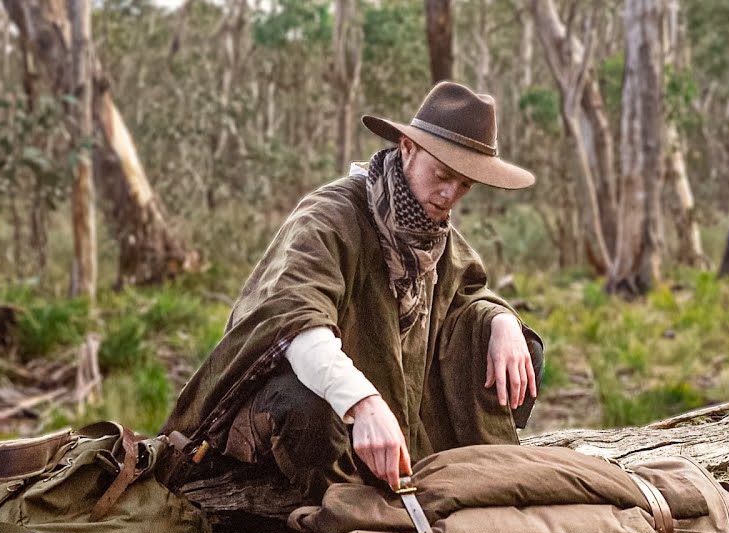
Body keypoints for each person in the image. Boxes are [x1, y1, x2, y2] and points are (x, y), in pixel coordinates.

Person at [160, 81, 543, 500]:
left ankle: (452, 472)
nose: (450, 195)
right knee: (308, 406)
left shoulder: (432, 230)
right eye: (443, 176)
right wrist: (363, 404)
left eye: (465, 184)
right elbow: (297, 326)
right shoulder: (328, 218)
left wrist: (502, 321)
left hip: (392, 401)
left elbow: (467, 291)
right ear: (408, 149)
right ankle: (337, 504)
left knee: (518, 346)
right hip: (284, 408)